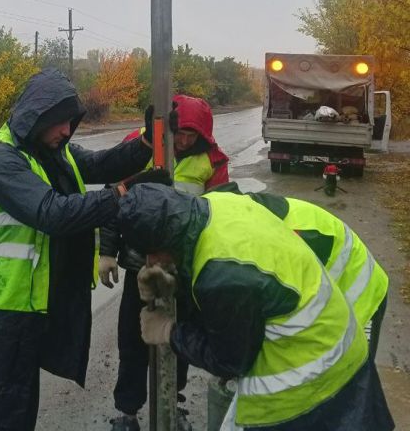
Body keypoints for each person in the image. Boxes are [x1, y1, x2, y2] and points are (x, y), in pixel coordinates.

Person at [0, 68, 172, 431]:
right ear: (38, 116)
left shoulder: (49, 151)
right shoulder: (0, 160)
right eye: (61, 122)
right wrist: (123, 194)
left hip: (20, 310)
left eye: (70, 123)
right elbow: (51, 213)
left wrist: (147, 140)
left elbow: (101, 164)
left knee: (16, 415)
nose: (68, 131)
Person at [118, 184, 394, 431]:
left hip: (315, 368)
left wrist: (169, 332)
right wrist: (177, 284)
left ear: (158, 246)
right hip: (326, 323)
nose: (150, 260)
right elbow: (240, 287)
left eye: (149, 254)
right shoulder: (218, 205)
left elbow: (228, 360)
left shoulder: (223, 277)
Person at [99, 95, 229, 430]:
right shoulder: (142, 151)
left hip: (184, 268)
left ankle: (175, 402)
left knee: (180, 337)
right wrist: (107, 252)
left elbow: (222, 213)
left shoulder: (210, 162)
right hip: (138, 263)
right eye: (179, 133)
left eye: (191, 134)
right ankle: (127, 411)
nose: (184, 140)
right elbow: (114, 202)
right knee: (132, 339)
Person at [234, 188, 389, 357]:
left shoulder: (299, 236)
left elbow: (295, 302)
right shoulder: (265, 216)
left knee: (355, 366)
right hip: (331, 299)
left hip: (363, 298)